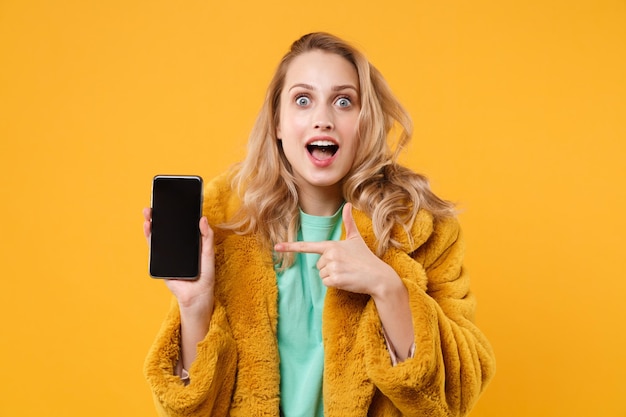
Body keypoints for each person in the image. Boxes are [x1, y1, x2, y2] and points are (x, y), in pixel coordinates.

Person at [143, 32, 495, 417]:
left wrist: (388, 288)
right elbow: (188, 409)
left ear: (366, 123)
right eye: (303, 100)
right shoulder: (226, 226)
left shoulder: (419, 227)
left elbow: (455, 397)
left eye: (344, 101)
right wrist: (195, 307)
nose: (323, 119)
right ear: (277, 123)